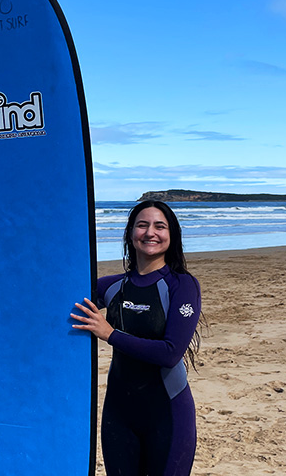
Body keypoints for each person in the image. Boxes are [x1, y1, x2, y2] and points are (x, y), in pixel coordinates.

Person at [71, 200, 202, 476]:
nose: (150, 232)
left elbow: (170, 353)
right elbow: (47, 310)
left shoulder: (182, 285)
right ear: (131, 233)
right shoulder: (112, 286)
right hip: (119, 415)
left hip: (168, 414)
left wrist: (110, 334)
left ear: (171, 234)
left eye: (159, 226)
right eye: (142, 225)